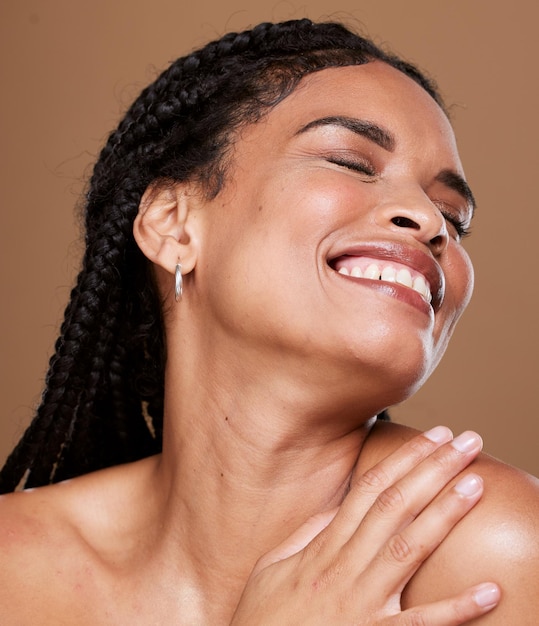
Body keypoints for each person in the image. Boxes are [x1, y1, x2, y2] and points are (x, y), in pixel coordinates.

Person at [0, 18, 537, 624]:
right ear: (174, 224)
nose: (428, 220)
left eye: (453, 216)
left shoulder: (493, 548)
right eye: (349, 161)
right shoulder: (10, 566)